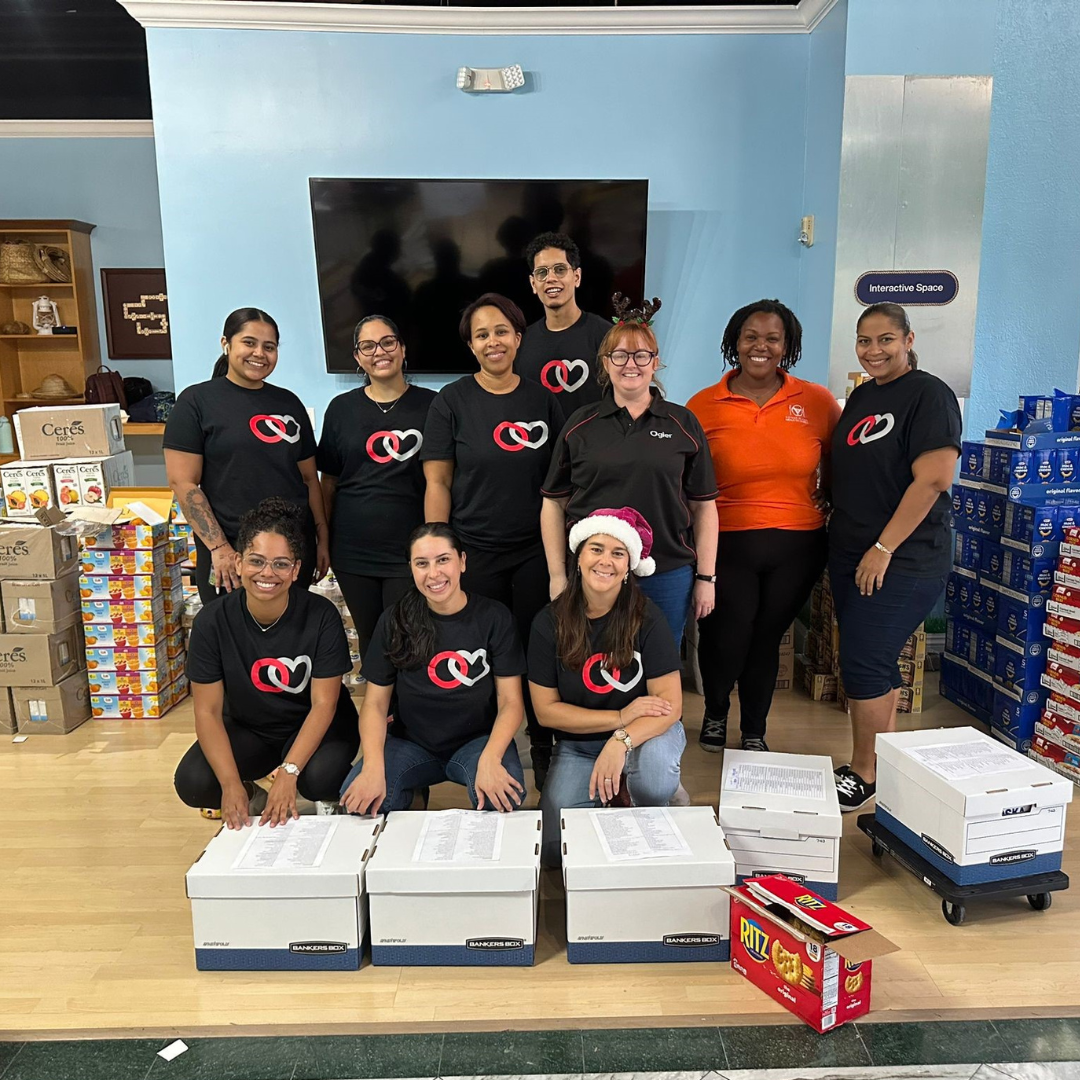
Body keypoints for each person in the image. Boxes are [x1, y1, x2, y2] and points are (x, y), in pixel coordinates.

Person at [688, 300, 841, 753]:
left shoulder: (815, 400)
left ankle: (755, 728)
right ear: (734, 343)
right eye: (750, 336)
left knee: (766, 637)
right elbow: (688, 479)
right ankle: (716, 711)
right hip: (726, 540)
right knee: (729, 633)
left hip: (799, 542)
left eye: (773, 338)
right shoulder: (702, 405)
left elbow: (835, 459)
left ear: (787, 346)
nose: (761, 346)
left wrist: (828, 497)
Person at [421, 293, 561, 789]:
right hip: (474, 553)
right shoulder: (452, 402)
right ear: (471, 346)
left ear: (519, 337)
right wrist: (442, 555)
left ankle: (543, 748)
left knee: (537, 652)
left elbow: (560, 484)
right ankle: (485, 749)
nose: (493, 341)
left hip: (534, 553)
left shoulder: (544, 400)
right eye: (481, 334)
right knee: (482, 655)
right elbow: (437, 482)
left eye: (501, 331)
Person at [829, 303, 961, 810]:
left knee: (864, 660)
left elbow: (933, 480)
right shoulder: (862, 396)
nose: (873, 350)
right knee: (870, 660)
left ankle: (864, 771)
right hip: (851, 550)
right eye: (864, 341)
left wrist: (884, 548)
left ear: (907, 339)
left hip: (902, 557)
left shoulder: (930, 395)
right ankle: (880, 762)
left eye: (885, 340)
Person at [541, 295, 719, 647]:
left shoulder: (683, 423)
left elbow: (704, 506)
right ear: (605, 364)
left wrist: (706, 577)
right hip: (594, 572)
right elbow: (552, 503)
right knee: (596, 667)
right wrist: (557, 575)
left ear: (655, 363)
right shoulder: (581, 424)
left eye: (641, 355)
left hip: (666, 573)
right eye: (619, 355)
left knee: (659, 669)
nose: (630, 364)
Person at [174, 498, 359, 828]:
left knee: (319, 777)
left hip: (314, 723)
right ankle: (250, 794)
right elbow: (207, 712)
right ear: (238, 562)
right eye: (257, 561)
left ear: (296, 570)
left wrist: (288, 773)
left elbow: (323, 704)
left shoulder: (321, 616)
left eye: (280, 564)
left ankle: (330, 798)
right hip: (250, 727)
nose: (267, 574)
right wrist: (230, 785)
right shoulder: (212, 622)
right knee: (195, 782)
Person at [529, 508, 685, 866]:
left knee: (654, 779)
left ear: (629, 567)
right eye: (596, 549)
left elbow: (670, 705)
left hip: (645, 735)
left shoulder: (648, 617)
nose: (606, 561)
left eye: (618, 553)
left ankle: (654, 793)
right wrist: (619, 716)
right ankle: (612, 791)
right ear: (579, 558)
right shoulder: (548, 622)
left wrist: (622, 739)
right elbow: (546, 711)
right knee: (553, 849)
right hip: (578, 745)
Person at [339, 523, 528, 815]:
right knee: (360, 804)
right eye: (422, 564)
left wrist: (491, 757)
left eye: (443, 560)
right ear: (411, 569)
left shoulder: (494, 617)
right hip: (411, 745)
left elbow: (511, 702)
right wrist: (373, 767)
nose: (434, 573)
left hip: (477, 742)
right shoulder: (396, 619)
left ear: (462, 561)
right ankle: (409, 803)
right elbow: (375, 703)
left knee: (503, 797)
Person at [164, 308, 328, 606]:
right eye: (249, 343)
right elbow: (183, 483)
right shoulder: (196, 402)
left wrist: (321, 537)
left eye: (269, 346)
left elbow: (308, 478)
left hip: (291, 552)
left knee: (288, 642)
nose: (259, 353)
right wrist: (220, 549)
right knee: (233, 643)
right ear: (226, 343)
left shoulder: (289, 403)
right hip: (231, 555)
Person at [318, 316, 437, 660]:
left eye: (387, 342)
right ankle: (379, 713)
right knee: (372, 641)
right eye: (367, 346)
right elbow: (329, 482)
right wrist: (322, 538)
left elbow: (442, 480)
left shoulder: (434, 405)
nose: (379, 352)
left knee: (409, 638)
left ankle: (408, 712)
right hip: (353, 552)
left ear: (402, 348)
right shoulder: (341, 409)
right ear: (357, 357)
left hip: (411, 549)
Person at [516, 231, 611, 427]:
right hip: (541, 451)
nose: (550, 278)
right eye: (542, 272)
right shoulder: (521, 342)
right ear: (533, 283)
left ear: (576, 277)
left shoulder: (607, 336)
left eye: (559, 269)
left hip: (594, 451)